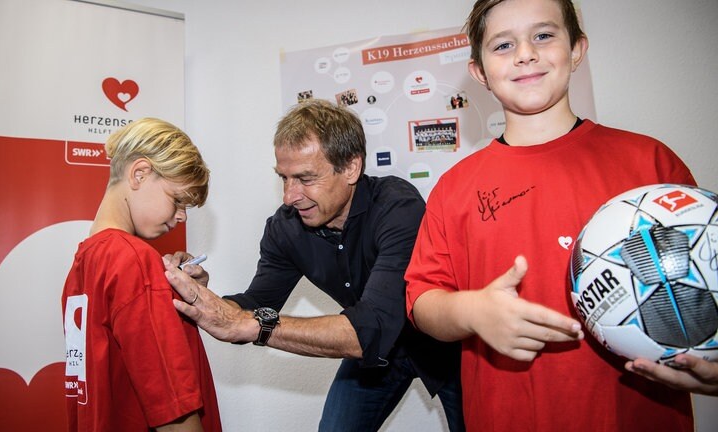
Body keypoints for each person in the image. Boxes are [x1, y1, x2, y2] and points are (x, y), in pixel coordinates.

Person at [404, 0, 700, 430]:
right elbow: (422, 302)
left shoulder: (650, 163)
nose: (526, 52)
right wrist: (472, 311)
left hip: (640, 414)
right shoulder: (454, 188)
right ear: (479, 72)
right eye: (503, 45)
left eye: (544, 35)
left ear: (577, 50)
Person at [163, 99, 463, 431]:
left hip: (446, 344)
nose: (289, 196)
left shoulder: (396, 207)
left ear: (350, 167)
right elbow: (256, 303)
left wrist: (250, 325)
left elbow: (368, 327)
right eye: (284, 178)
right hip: (373, 345)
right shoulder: (285, 227)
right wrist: (202, 298)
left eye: (305, 178)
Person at [61, 118, 222, 431]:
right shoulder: (134, 260)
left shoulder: (85, 259)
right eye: (177, 200)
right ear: (139, 173)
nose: (182, 216)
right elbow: (172, 409)